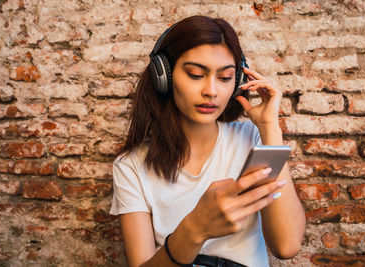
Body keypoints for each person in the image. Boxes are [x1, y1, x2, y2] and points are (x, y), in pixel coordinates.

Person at [110, 15, 306, 267]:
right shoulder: (131, 166)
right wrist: (195, 229)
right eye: (195, 75)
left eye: (224, 78)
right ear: (164, 77)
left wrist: (270, 128)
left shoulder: (251, 139)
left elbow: (287, 245)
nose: (211, 91)